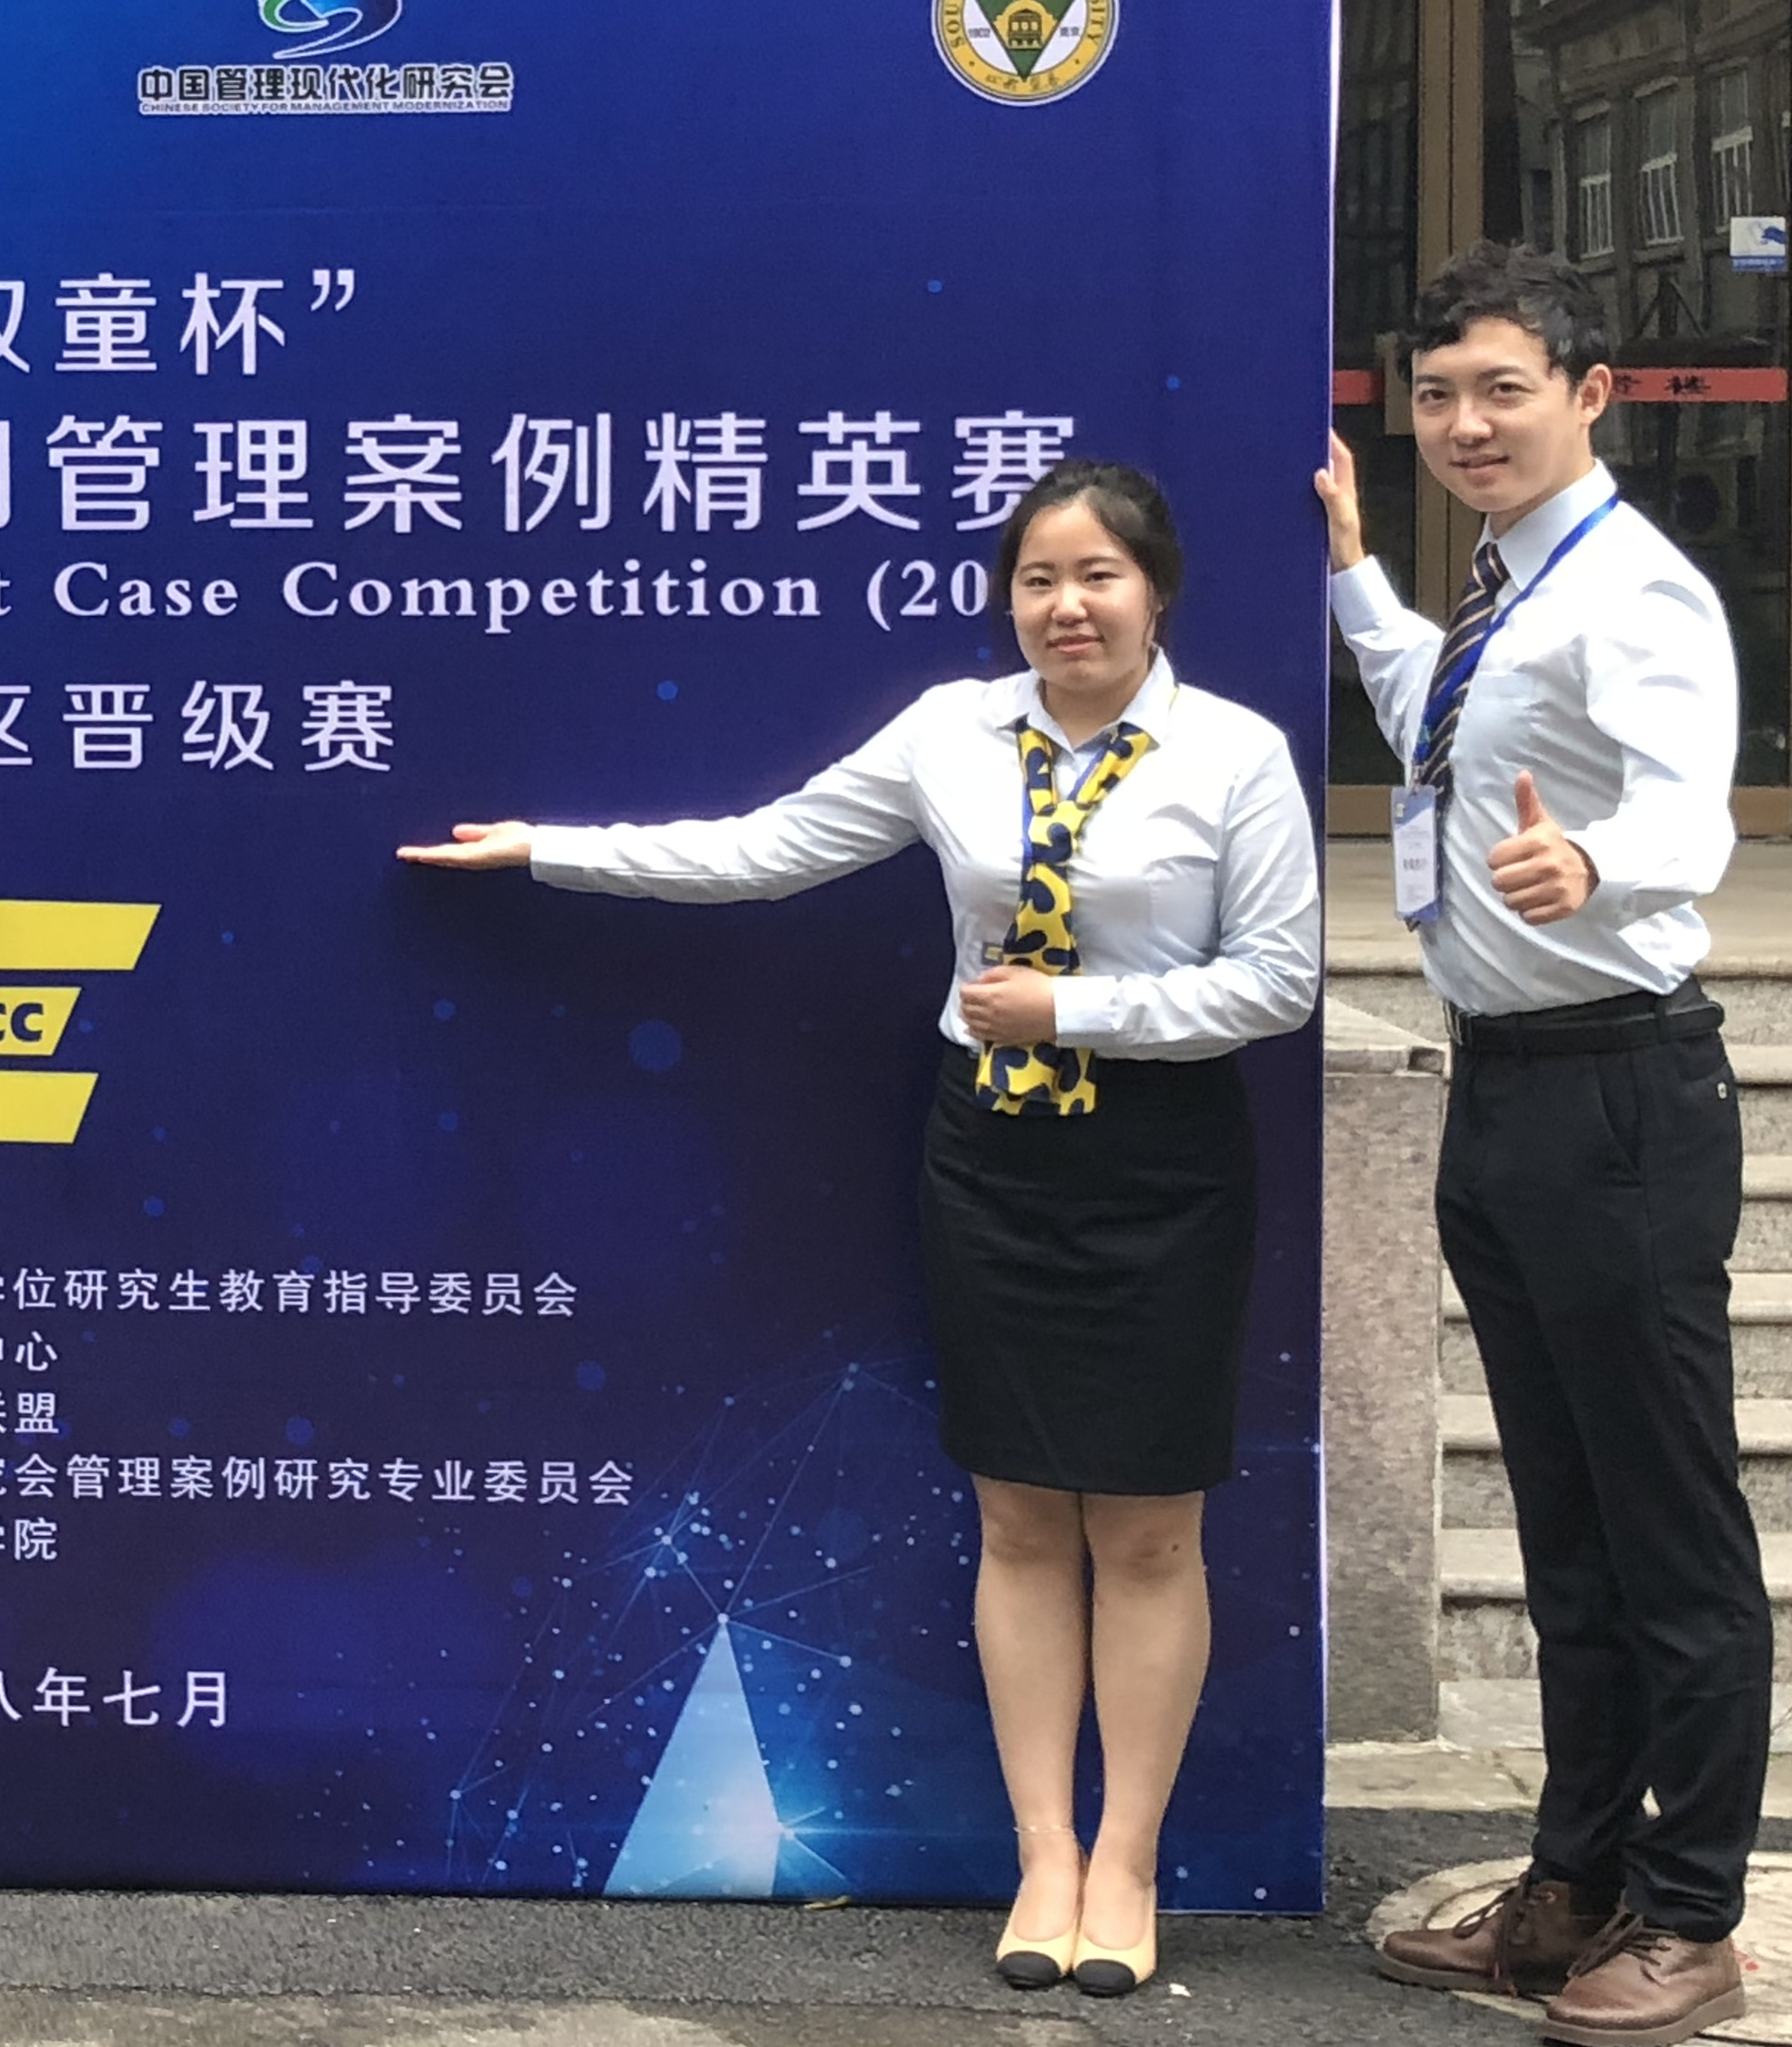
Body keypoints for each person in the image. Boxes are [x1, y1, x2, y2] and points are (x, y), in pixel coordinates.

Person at [400, 460, 1316, 1998]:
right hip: (991, 1161)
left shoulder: (1232, 752)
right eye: (1036, 578)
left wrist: (1074, 1008)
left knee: (1150, 1529)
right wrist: (548, 847)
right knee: (1019, 1519)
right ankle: (1042, 1856)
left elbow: (1277, 980)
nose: (1065, 606)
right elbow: (759, 850)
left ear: (1155, 590)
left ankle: (1126, 1862)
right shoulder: (952, 732)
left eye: (1096, 575)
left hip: (1161, 1166)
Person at [1338, 245, 1758, 2047]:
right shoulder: (1508, 586)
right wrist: (1352, 569)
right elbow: (1436, 724)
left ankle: (1693, 1910)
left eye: (1502, 389)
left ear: (1592, 395)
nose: (1464, 424)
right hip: (1504, 1088)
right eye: (1437, 394)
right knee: (1566, 1525)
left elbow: (1688, 809)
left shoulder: (1637, 589)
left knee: (1667, 1531)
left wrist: (1597, 861)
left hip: (1618, 1098)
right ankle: (1572, 1882)